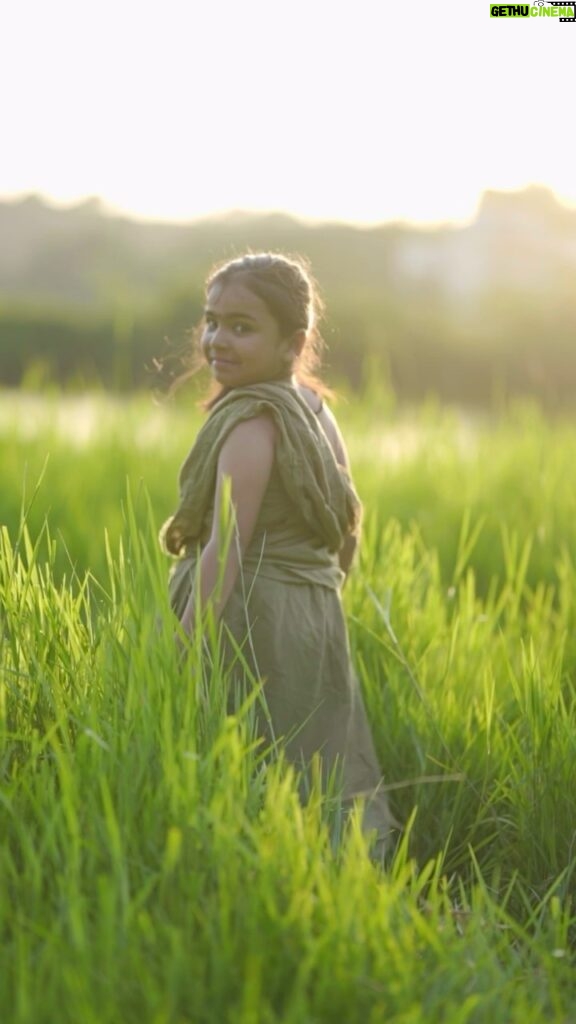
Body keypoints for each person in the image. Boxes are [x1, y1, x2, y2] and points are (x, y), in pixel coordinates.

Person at [160, 252, 395, 858]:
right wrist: (323, 595)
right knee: (314, 759)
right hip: (311, 615)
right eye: (212, 321)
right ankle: (333, 869)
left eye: (242, 327)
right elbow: (348, 521)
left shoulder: (254, 425)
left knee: (250, 760)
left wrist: (181, 654)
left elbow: (224, 549)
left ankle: (259, 873)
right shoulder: (315, 411)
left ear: (293, 343)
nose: (217, 340)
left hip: (250, 621)